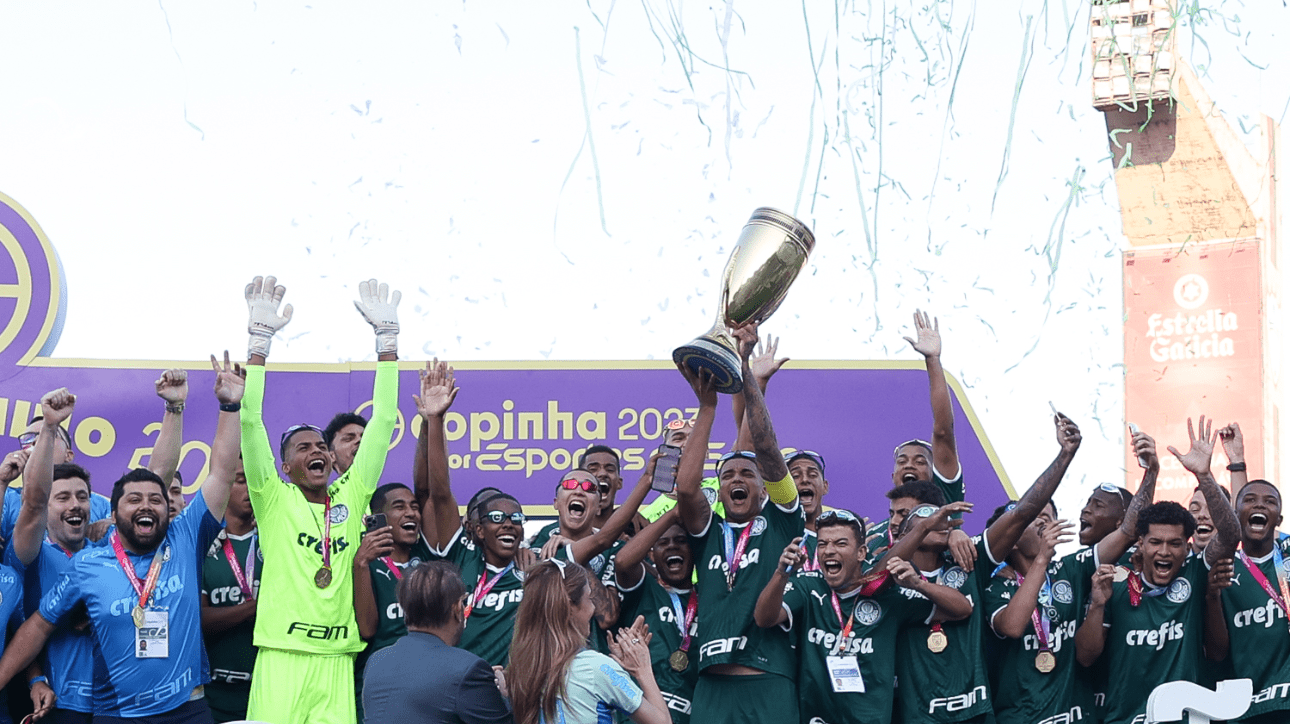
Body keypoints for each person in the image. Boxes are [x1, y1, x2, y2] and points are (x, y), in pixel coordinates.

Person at [0, 353, 241, 723]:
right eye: (133, 500)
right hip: (114, 713)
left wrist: (227, 405)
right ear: (116, 512)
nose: (146, 504)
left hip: (187, 709)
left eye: (155, 499)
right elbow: (37, 624)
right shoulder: (87, 563)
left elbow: (219, 472)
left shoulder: (184, 536)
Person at [239, 276, 401, 724]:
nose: (317, 452)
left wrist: (386, 344)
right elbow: (250, 422)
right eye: (302, 448)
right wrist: (259, 344)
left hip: (336, 660)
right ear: (285, 467)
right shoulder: (273, 499)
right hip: (282, 656)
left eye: (321, 447)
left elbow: (384, 419)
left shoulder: (351, 494)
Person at [892, 410, 1081, 724]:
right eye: (924, 519)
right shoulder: (893, 574)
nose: (936, 521)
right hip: (917, 716)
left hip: (977, 714)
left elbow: (1022, 514)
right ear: (905, 532)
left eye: (940, 516)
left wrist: (1064, 456)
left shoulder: (971, 560)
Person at [673, 325, 804, 724]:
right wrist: (707, 409)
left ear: (764, 488)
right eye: (727, 475)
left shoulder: (783, 519)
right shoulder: (708, 531)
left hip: (767, 682)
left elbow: (764, 447)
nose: (736, 480)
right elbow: (685, 489)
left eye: (747, 474)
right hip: (711, 688)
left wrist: (745, 369)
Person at [986, 428, 1158, 724]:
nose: (1045, 522)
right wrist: (1041, 559)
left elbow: (1129, 530)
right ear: (1012, 537)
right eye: (1034, 519)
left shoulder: (1069, 569)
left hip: (1075, 716)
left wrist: (1152, 471)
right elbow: (1013, 626)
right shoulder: (994, 586)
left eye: (1049, 516)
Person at [1075, 416, 1240, 724]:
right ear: (1140, 543)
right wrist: (1097, 604)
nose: (1165, 552)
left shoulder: (1194, 572)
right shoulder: (1115, 581)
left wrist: (1204, 475)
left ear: (1187, 545)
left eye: (1175, 544)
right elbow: (1085, 657)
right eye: (1156, 542)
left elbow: (1231, 535)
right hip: (1123, 719)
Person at [754, 505, 974, 724]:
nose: (829, 550)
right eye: (822, 544)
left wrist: (919, 585)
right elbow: (764, 618)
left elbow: (962, 609)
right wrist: (781, 573)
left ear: (861, 553)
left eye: (840, 543)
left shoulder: (887, 596)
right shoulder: (808, 586)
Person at [415, 361, 531, 667]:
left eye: (516, 519)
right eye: (496, 518)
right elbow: (438, 494)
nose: (508, 524)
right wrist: (435, 420)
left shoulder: (533, 569)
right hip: (455, 683)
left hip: (509, 692)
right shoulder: (460, 557)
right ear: (477, 530)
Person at [506, 560, 670, 724]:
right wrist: (642, 669)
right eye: (590, 598)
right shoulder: (595, 668)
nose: (593, 608)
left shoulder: (519, 671)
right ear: (570, 607)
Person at [361, 561, 513, 724]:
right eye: (463, 603)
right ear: (456, 609)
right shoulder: (467, 670)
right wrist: (507, 696)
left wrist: (478, 683)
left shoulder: (376, 662)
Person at [1204, 477, 1288, 723]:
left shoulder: (1287, 558)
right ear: (1235, 516)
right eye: (1250, 500)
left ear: (1279, 520)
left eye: (1270, 502)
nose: (1260, 506)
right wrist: (1212, 596)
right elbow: (1217, 653)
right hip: (1244, 708)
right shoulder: (1222, 569)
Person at [352, 482, 433, 722]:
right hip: (379, 684)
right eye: (399, 507)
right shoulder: (365, 560)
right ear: (378, 518)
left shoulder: (427, 557)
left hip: (425, 683)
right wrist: (362, 564)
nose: (411, 513)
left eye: (414, 507)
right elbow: (367, 629)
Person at [613, 509, 698, 722]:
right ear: (651, 554)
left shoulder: (710, 597)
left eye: (681, 540)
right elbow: (623, 562)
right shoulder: (644, 588)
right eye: (662, 542)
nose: (672, 546)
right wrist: (672, 515)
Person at [200, 444, 259, 723]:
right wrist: (255, 608)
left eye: (255, 479)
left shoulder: (275, 542)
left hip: (268, 689)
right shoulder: (203, 546)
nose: (250, 488)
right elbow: (200, 621)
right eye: (241, 480)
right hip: (217, 692)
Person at [324, 413, 368, 479]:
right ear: (331, 456)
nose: (359, 440)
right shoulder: (331, 489)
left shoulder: (387, 489)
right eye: (348, 439)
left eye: (364, 437)